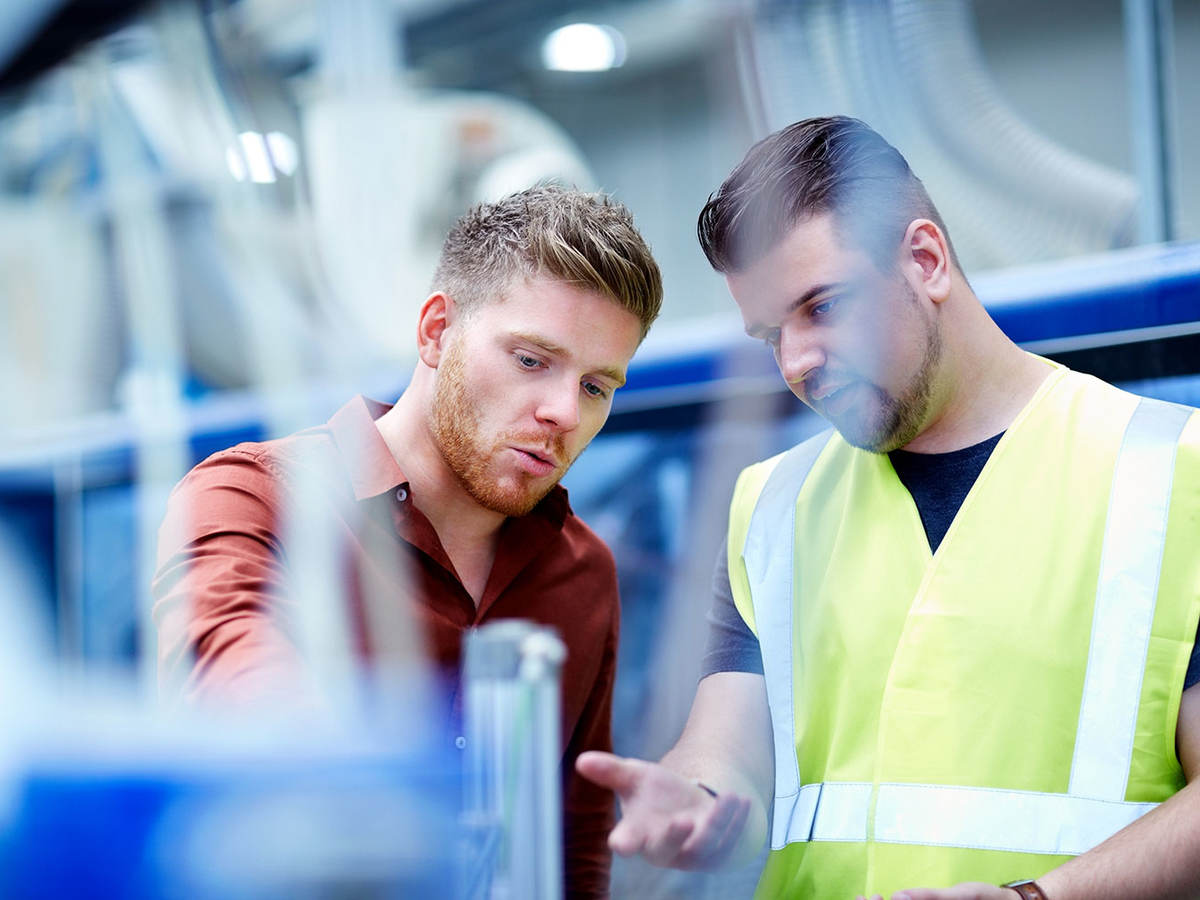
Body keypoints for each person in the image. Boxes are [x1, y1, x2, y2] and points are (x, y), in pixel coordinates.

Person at [576, 117, 1200, 900]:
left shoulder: (1176, 474)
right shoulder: (774, 504)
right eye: (771, 333)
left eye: (823, 306)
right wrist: (693, 804)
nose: (796, 361)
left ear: (926, 260)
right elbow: (727, 752)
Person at [152, 184, 663, 898]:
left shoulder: (583, 573)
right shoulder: (251, 497)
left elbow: (573, 852)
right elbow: (231, 676)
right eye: (530, 360)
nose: (561, 412)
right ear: (435, 332)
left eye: (596, 387)